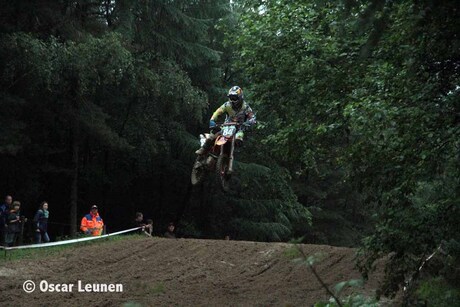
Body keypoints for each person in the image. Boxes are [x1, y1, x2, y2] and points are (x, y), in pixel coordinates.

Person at [195, 86, 256, 155]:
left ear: (240, 97)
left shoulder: (245, 107)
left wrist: (250, 122)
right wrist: (212, 120)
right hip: (226, 125)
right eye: (231, 98)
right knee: (214, 133)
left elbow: (252, 117)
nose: (232, 100)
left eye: (234, 98)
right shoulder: (227, 105)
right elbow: (217, 112)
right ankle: (203, 148)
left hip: (239, 127)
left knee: (239, 139)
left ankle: (232, 150)